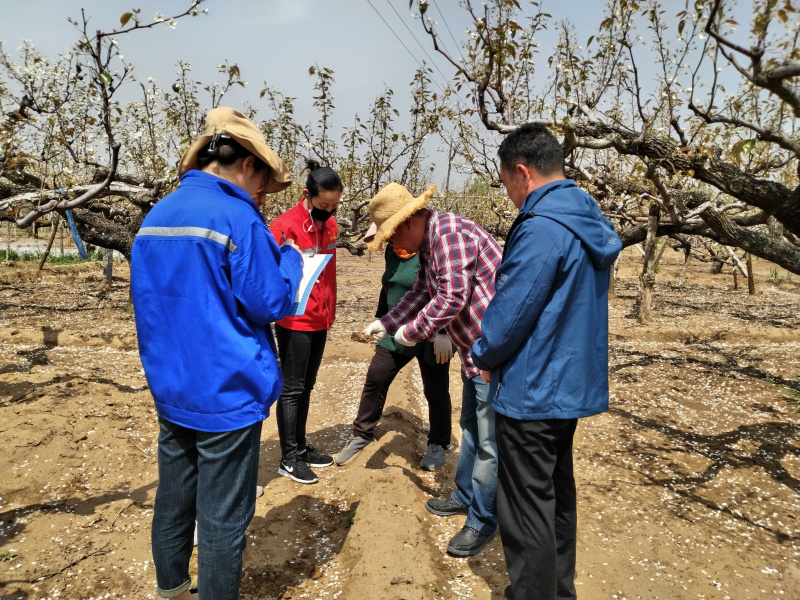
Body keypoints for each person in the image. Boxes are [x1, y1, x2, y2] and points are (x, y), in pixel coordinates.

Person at [131, 107, 303, 600]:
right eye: (264, 186)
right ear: (247, 165)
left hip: (172, 387)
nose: (263, 197)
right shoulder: (237, 217)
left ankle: (172, 589)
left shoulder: (158, 215)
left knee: (174, 500)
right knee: (224, 520)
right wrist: (288, 259)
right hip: (225, 393)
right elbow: (269, 301)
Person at [470, 123, 622, 600]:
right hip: (569, 384)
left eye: (506, 183)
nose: (510, 195)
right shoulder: (585, 218)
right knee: (555, 496)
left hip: (533, 388)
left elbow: (511, 311)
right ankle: (560, 591)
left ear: (522, 173)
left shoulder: (541, 229)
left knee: (525, 509)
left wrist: (484, 354)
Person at [362, 182, 502, 558]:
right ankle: (466, 494)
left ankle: (483, 519)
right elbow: (422, 290)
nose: (391, 245)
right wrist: (389, 322)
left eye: (390, 236)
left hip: (495, 351)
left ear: (408, 221)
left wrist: (415, 331)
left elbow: (452, 296)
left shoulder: (450, 235)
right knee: (471, 427)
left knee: (490, 441)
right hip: (475, 349)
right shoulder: (429, 244)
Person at [335, 222, 453, 470]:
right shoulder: (393, 251)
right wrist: (381, 318)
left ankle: (438, 442)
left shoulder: (430, 251)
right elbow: (387, 285)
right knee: (376, 376)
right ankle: (362, 434)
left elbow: (446, 294)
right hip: (396, 325)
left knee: (435, 390)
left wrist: (444, 333)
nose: (387, 242)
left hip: (431, 332)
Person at [269, 159, 343, 484]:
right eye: (323, 205)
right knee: (292, 388)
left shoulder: (332, 226)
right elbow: (271, 275)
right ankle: (289, 458)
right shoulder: (284, 226)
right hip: (294, 318)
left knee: (307, 386)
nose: (328, 211)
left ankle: (300, 446)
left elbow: (328, 272)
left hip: (320, 317)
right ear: (307, 195)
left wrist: (330, 310)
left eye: (334, 205)